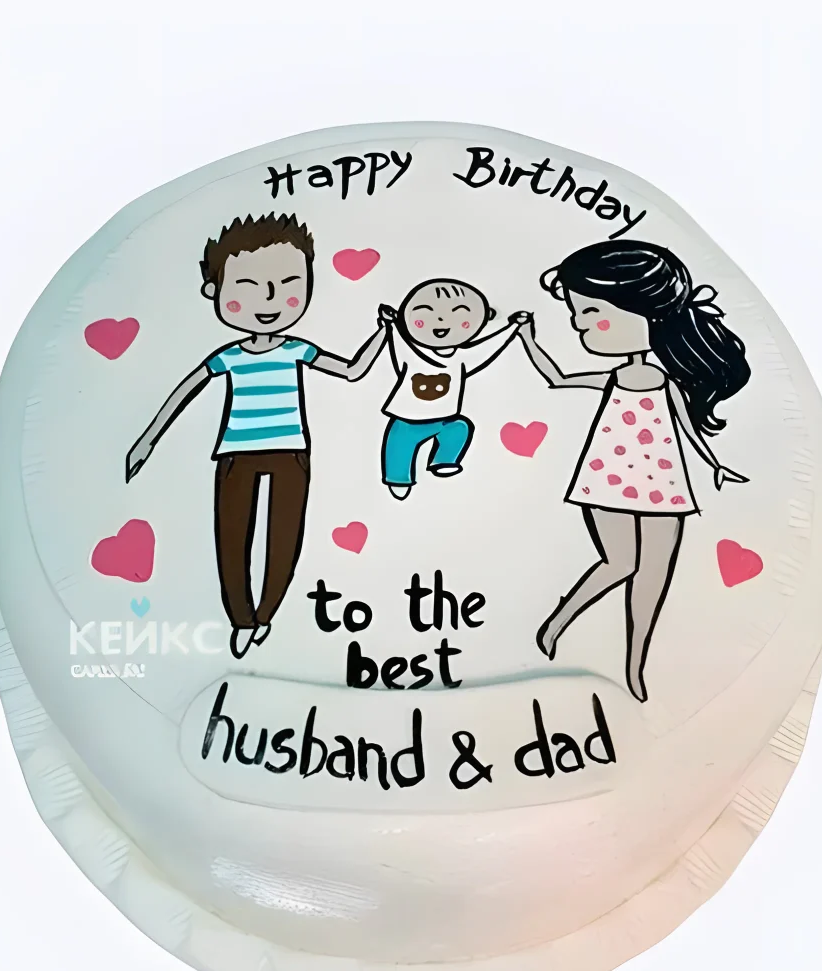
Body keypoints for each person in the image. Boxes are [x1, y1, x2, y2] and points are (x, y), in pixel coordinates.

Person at [125, 212, 387, 659]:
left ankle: (266, 615)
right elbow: (185, 391)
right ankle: (241, 619)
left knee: (284, 538)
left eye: (287, 285)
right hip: (236, 453)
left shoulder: (297, 349)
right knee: (232, 539)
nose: (269, 300)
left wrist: (384, 332)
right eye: (247, 287)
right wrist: (147, 439)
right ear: (215, 291)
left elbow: (351, 371)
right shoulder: (228, 356)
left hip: (290, 451)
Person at [516, 240, 750, 701]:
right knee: (619, 563)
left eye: (590, 312)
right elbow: (558, 379)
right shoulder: (614, 377)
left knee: (655, 574)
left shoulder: (666, 381)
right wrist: (527, 338)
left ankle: (635, 665)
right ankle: (557, 622)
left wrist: (716, 464)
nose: (579, 325)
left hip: (663, 485)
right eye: (576, 314)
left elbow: (688, 429)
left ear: (647, 314)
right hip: (608, 481)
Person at [378, 279, 526, 499]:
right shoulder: (410, 353)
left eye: (460, 315)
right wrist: (391, 325)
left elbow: (489, 348)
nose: (440, 321)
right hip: (406, 421)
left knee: (460, 428)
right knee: (399, 450)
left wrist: (513, 328)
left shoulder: (462, 358)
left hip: (443, 420)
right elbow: (397, 341)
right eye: (425, 313)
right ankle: (398, 479)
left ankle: (444, 460)